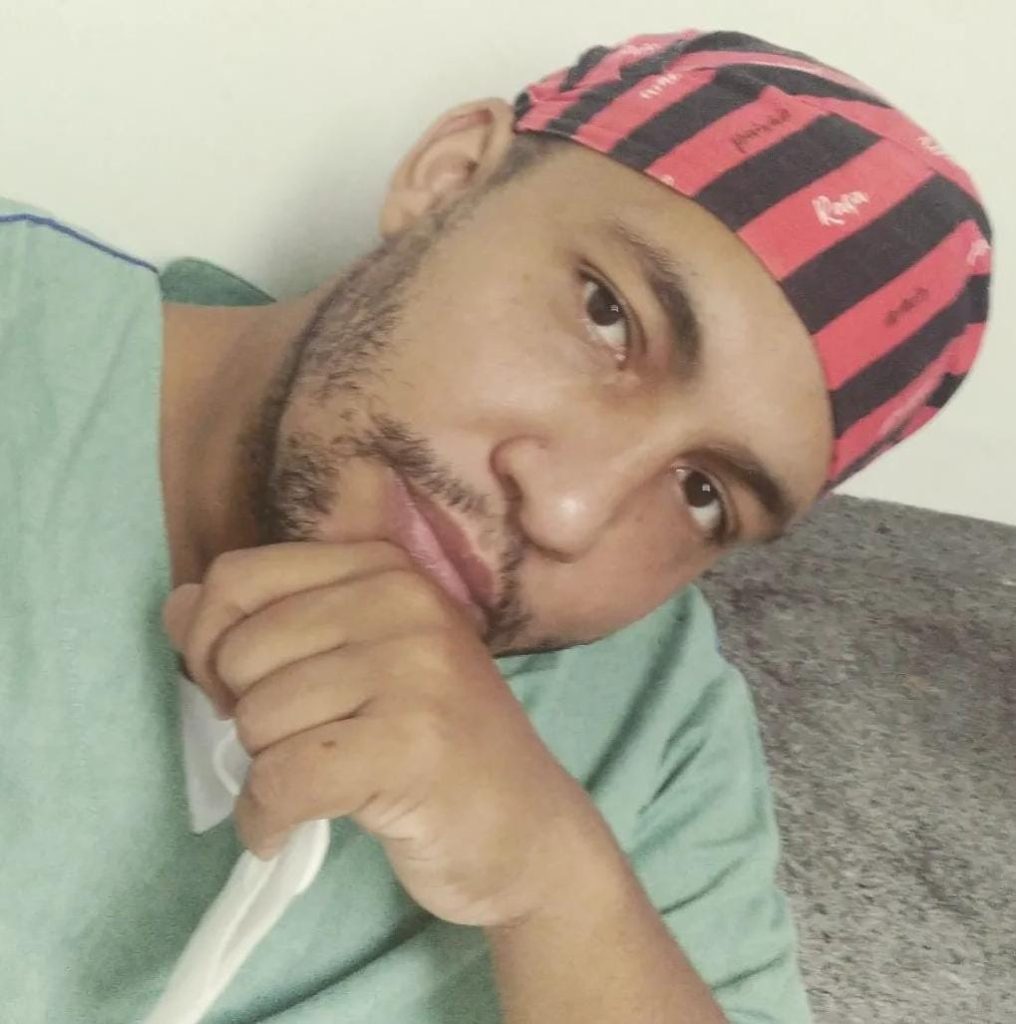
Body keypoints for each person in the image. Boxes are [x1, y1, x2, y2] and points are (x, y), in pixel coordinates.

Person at [1, 27, 992, 1024]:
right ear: (449, 177)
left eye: (701, 492)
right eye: (607, 316)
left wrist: (553, 890)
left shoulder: (651, 725)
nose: (568, 510)